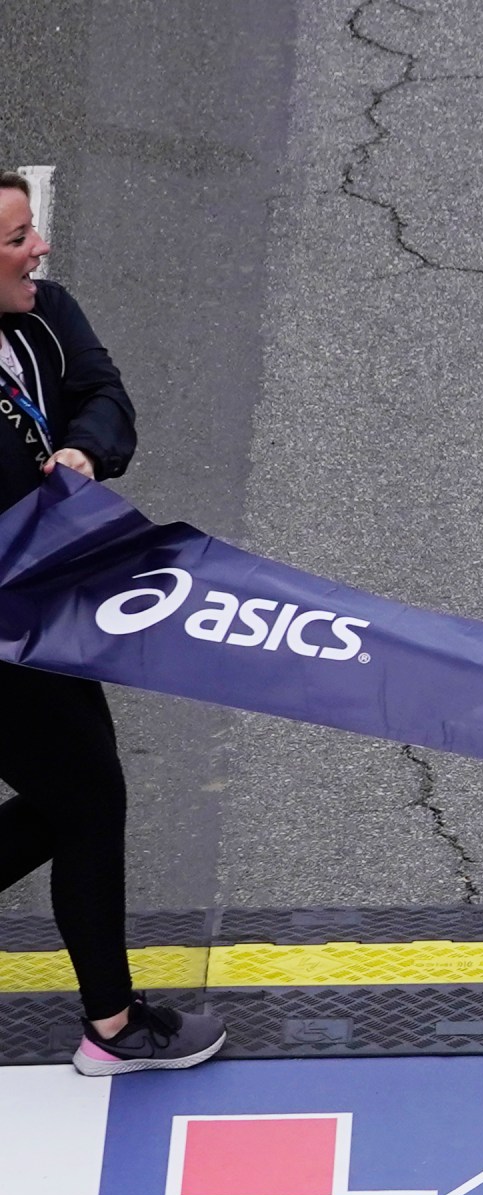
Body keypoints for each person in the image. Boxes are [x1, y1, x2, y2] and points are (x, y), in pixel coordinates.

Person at [0, 170, 226, 1075]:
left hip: (46, 610)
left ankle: (114, 1024)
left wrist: (83, 450)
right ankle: (113, 1027)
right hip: (5, 630)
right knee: (89, 800)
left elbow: (106, 394)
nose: (39, 249)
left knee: (83, 801)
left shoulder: (45, 313)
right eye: (18, 239)